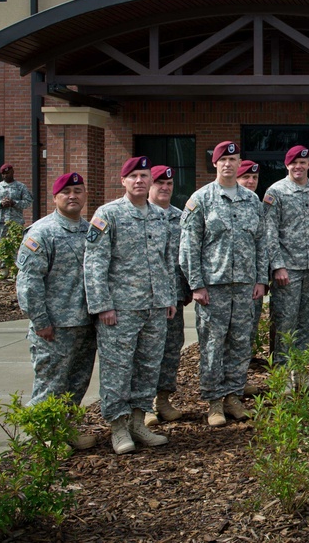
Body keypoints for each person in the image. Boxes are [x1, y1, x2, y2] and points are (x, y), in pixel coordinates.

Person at [84, 157, 176, 454]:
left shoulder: (159, 216)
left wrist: (168, 298)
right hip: (119, 310)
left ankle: (138, 422)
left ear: (151, 181)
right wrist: (102, 306)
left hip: (154, 308)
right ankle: (119, 428)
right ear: (123, 181)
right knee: (118, 370)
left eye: (144, 176)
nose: (139, 180)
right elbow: (95, 263)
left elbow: (166, 262)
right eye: (133, 176)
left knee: (148, 368)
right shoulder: (108, 214)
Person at [180, 142, 268, 427]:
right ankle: (214, 401)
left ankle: (234, 395)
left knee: (241, 343)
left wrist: (260, 279)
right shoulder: (200, 199)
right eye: (223, 160)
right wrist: (196, 284)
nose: (229, 164)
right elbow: (189, 247)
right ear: (215, 164)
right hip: (213, 287)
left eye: (233, 159)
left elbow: (260, 242)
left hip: (245, 285)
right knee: (213, 344)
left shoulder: (251, 200)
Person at [16, 172, 97, 450]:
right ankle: (43, 440)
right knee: (50, 386)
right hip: (54, 327)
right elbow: (29, 283)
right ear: (55, 198)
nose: (73, 196)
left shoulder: (90, 231)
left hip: (85, 324)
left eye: (78, 190)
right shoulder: (41, 232)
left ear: (85, 195)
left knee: (76, 384)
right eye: (66, 192)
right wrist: (40, 321)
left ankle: (64, 432)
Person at [263, 146, 309, 375]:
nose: (298, 166)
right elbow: (269, 231)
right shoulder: (276, 191)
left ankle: (298, 373)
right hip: (288, 270)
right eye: (293, 163)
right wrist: (277, 265)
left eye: (302, 162)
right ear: (286, 165)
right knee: (285, 324)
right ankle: (282, 376)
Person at [144, 165, 189, 426]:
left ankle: (163, 399)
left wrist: (187, 289)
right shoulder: (140, 215)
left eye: (169, 184)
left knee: (171, 349)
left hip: (173, 298)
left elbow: (186, 257)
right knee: (149, 352)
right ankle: (145, 404)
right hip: (146, 300)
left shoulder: (180, 217)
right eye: (159, 183)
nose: (164, 188)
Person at [237, 159, 266, 393]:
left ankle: (240, 381)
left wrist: (261, 280)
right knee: (220, 340)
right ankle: (219, 394)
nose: (251, 181)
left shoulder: (255, 203)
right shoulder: (206, 199)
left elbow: (261, 243)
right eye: (246, 177)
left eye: (254, 178)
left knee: (247, 334)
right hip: (219, 285)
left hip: (250, 284)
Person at [0, 163, 34, 265]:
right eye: (3, 174)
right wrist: (0, 204)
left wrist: (15, 203)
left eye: (7, 173)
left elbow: (28, 201)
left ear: (12, 172)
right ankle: (4, 267)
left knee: (16, 243)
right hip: (0, 220)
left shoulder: (21, 187)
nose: (5, 176)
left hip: (16, 221)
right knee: (0, 244)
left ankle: (16, 267)